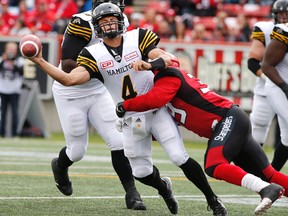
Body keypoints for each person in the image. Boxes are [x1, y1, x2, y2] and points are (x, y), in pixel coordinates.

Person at [23, 3, 228, 215]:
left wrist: (150, 64)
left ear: (121, 20)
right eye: (104, 22)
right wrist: (39, 60)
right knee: (140, 172)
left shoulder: (138, 36)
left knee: (178, 157)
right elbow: (68, 78)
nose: (110, 25)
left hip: (155, 111)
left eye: (113, 20)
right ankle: (164, 188)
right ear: (97, 26)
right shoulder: (92, 53)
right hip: (130, 118)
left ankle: (213, 201)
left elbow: (167, 58)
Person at [115, 53, 288, 215]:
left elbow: (154, 99)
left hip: (226, 119)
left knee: (214, 165)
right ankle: (268, 186)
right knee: (268, 174)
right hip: (233, 119)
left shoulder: (167, 76)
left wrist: (125, 106)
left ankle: (265, 189)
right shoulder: (168, 74)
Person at [50, 0, 145, 211]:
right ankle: (59, 165)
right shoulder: (82, 23)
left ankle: (132, 193)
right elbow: (67, 63)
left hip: (98, 88)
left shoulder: (122, 20)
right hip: (70, 90)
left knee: (118, 140)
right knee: (77, 151)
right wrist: (102, 67)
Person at [247, 0, 288, 171]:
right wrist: (271, 79)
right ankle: (252, 169)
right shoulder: (265, 28)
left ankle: (270, 173)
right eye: (281, 13)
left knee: (286, 136)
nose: (284, 17)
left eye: (287, 13)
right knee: (258, 126)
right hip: (268, 87)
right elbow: (253, 62)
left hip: (282, 85)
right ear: (274, 14)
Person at [262, 0, 288, 172]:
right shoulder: (284, 31)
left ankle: (268, 177)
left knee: (287, 139)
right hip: (277, 87)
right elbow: (266, 66)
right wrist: (285, 87)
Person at [0, 42, 24, 137]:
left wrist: (13, 63)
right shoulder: (1, 60)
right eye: (9, 49)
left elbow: (21, 73)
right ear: (6, 49)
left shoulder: (20, 61)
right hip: (2, 90)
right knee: (3, 113)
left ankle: (15, 134)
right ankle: (2, 133)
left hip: (15, 90)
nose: (11, 51)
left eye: (13, 49)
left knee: (15, 113)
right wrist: (4, 60)